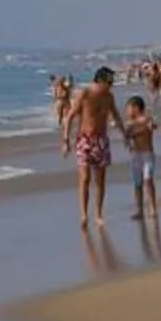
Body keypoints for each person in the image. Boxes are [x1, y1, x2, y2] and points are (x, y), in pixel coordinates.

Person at [66, 67, 119, 228]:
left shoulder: (109, 97)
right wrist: (65, 140)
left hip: (101, 140)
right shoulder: (85, 94)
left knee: (100, 180)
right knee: (85, 178)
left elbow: (116, 115)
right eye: (109, 81)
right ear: (101, 80)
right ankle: (84, 214)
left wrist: (125, 135)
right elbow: (69, 117)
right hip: (85, 140)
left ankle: (98, 214)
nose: (111, 84)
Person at [121, 94, 160, 219]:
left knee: (148, 180)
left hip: (147, 155)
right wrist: (127, 140)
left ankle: (153, 207)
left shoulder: (146, 119)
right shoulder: (130, 124)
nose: (127, 112)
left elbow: (152, 125)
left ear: (136, 108)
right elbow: (126, 136)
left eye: (128, 109)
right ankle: (139, 210)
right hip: (136, 156)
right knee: (137, 183)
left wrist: (150, 126)